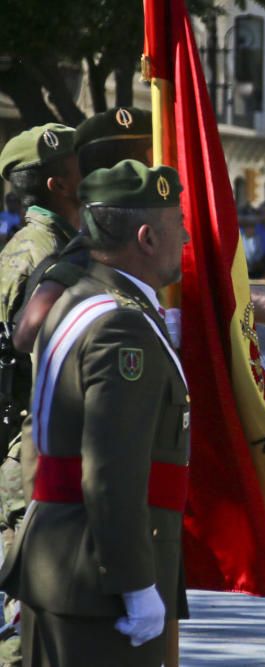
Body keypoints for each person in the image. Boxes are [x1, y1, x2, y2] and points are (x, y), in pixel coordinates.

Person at [0, 160, 189, 666]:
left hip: (63, 561)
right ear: (147, 238)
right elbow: (111, 471)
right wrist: (135, 584)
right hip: (98, 581)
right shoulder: (119, 327)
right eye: (179, 225)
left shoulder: (81, 302)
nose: (188, 237)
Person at [0, 125, 81, 665]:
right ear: (59, 183)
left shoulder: (49, 246)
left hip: (39, 449)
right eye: (82, 164)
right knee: (28, 621)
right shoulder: (41, 256)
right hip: (30, 455)